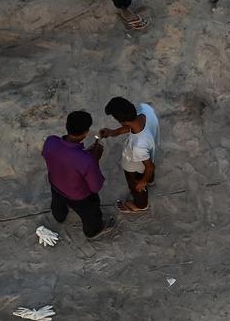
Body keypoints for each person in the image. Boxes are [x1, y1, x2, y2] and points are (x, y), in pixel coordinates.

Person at [41, 111, 113, 239]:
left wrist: (85, 156)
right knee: (91, 213)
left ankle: (60, 216)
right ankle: (93, 231)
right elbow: (95, 187)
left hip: (56, 185)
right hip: (79, 196)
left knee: (57, 204)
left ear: (67, 126)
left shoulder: (51, 141)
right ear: (85, 133)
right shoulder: (87, 161)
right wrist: (94, 160)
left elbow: (54, 156)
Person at [99, 97, 160, 213]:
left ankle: (141, 205)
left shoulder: (138, 146)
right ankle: (150, 180)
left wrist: (142, 182)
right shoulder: (145, 110)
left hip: (135, 167)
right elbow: (132, 126)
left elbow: (150, 167)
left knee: (135, 186)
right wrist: (113, 132)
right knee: (147, 170)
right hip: (148, 151)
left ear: (122, 122)